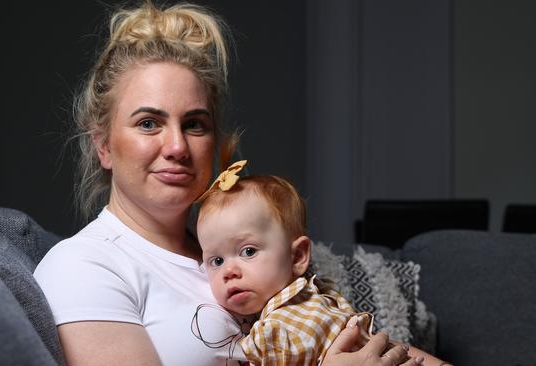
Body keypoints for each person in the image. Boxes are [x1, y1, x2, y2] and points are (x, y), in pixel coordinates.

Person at [34, 2, 423, 365]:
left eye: (194, 124)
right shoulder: (84, 266)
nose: (177, 146)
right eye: (148, 123)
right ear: (103, 145)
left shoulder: (239, 253)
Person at [195, 161, 449, 366]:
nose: (229, 271)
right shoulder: (304, 305)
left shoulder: (282, 326)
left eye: (248, 251)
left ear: (297, 257)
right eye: (216, 260)